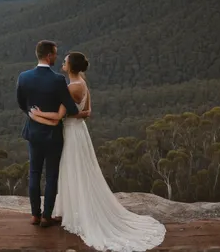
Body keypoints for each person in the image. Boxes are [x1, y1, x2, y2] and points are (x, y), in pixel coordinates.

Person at [28, 51, 166, 252]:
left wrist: (38, 114)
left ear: (71, 67)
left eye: (65, 61)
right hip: (80, 132)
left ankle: (75, 211)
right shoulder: (83, 84)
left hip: (71, 135)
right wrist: (77, 115)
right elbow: (87, 112)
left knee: (71, 171)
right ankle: (69, 209)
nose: (63, 63)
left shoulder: (69, 87)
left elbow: (59, 116)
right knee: (78, 170)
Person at [16, 40, 90, 227]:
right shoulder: (58, 80)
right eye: (55, 54)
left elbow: (21, 103)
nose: (57, 58)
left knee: (33, 173)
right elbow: (72, 109)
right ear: (49, 56)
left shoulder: (24, 77)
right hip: (53, 135)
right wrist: (83, 113)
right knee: (51, 176)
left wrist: (35, 116)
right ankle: (46, 216)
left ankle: (34, 214)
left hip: (33, 132)